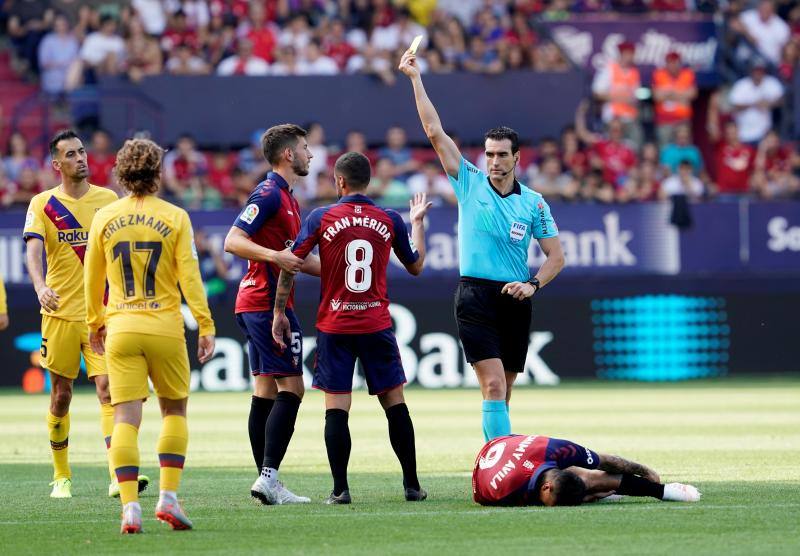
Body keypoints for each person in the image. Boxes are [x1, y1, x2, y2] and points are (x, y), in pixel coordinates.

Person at [399, 50, 565, 442]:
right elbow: (434, 132)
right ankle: (500, 464)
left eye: (501, 155)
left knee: (504, 391)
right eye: (489, 154)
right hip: (474, 295)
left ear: (516, 158)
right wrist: (415, 78)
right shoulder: (469, 182)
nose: (493, 161)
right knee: (492, 386)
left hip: (515, 297)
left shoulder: (534, 202)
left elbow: (555, 256)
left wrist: (533, 285)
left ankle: (495, 457)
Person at [272, 152, 432, 504]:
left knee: (336, 408)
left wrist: (280, 309)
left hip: (335, 325)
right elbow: (417, 265)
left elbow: (291, 262)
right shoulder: (389, 218)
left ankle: (340, 489)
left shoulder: (320, 217)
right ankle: (412, 485)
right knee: (395, 404)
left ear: (339, 181)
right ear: (369, 181)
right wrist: (417, 221)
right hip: (376, 323)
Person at [84, 138, 216, 534]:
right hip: (164, 326)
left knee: (125, 417)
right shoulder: (175, 217)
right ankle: (169, 499)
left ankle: (129, 508)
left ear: (121, 173)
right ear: (158, 173)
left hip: (121, 326)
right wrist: (205, 323)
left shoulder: (104, 217)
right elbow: (190, 276)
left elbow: (92, 278)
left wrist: (95, 323)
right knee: (174, 411)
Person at [22, 130, 148, 500]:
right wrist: (40, 286)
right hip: (59, 313)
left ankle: (115, 475)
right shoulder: (42, 203)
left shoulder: (108, 199)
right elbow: (33, 249)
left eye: (82, 151)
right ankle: (61, 476)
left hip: (101, 315)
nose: (81, 158)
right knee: (61, 395)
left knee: (108, 391)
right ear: (56, 164)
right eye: (71, 154)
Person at [223, 124, 320, 505]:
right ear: (288, 155)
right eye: (306, 148)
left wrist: (340, 271)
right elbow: (233, 241)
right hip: (265, 304)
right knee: (292, 389)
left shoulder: (288, 198)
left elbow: (294, 259)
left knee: (264, 388)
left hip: (258, 304)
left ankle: (267, 479)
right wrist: (274, 256)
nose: (311, 154)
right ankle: (269, 477)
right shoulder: (268, 195)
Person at [473, 433, 701, 507]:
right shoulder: (505, 493)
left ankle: (661, 490)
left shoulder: (557, 449)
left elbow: (605, 460)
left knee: (591, 477)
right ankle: (660, 491)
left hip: (514, 444)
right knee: (591, 487)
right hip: (495, 447)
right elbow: (479, 497)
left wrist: (645, 470)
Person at [729, 60, 784, 146]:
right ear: (751, 71)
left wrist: (769, 103)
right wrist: (754, 104)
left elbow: (781, 100)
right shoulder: (741, 85)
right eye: (756, 70)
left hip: (764, 133)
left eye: (760, 70)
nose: (758, 73)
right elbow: (734, 106)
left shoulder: (771, 82)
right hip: (744, 133)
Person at [651, 51, 697, 148]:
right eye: (670, 62)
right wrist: (681, 94)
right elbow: (657, 96)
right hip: (664, 120)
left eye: (675, 62)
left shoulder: (687, 74)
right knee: (664, 148)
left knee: (684, 148)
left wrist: (668, 93)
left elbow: (692, 94)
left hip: (683, 120)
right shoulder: (659, 74)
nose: (673, 65)